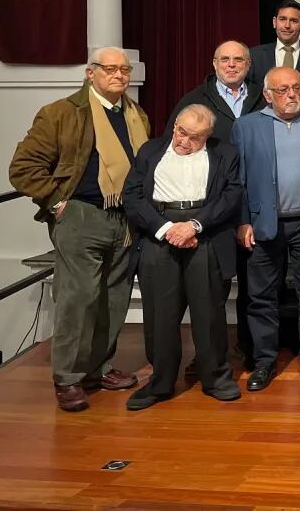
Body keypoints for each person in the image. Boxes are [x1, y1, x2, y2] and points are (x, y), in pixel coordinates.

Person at [9, 47, 149, 412]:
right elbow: (22, 168)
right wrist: (56, 203)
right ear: (91, 73)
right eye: (110, 69)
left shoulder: (135, 114)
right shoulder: (61, 113)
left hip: (124, 218)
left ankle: (97, 368)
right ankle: (68, 377)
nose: (119, 75)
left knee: (113, 299)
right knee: (78, 300)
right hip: (82, 215)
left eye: (124, 69)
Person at [122, 104, 243, 409]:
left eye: (195, 138)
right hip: (159, 233)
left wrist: (194, 226)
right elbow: (133, 196)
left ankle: (216, 377)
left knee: (209, 313)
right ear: (174, 125)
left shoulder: (225, 154)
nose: (184, 142)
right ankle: (160, 382)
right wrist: (165, 229)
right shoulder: (150, 151)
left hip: (204, 232)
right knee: (159, 315)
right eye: (181, 132)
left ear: (208, 136)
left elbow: (230, 196)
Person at [230, 67, 300, 392]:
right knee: (261, 297)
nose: (292, 94)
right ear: (268, 94)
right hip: (263, 224)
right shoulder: (247, 126)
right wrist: (242, 220)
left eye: (297, 87)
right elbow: (237, 179)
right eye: (282, 89)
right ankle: (264, 360)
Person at [169, 40, 266, 143]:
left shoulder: (265, 98)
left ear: (248, 64)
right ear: (215, 64)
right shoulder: (194, 100)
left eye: (238, 59)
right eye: (225, 59)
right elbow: (172, 142)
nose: (231, 64)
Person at [250, 0, 300, 91]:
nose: (287, 25)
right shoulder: (254, 55)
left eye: (294, 21)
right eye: (282, 19)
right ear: (274, 22)